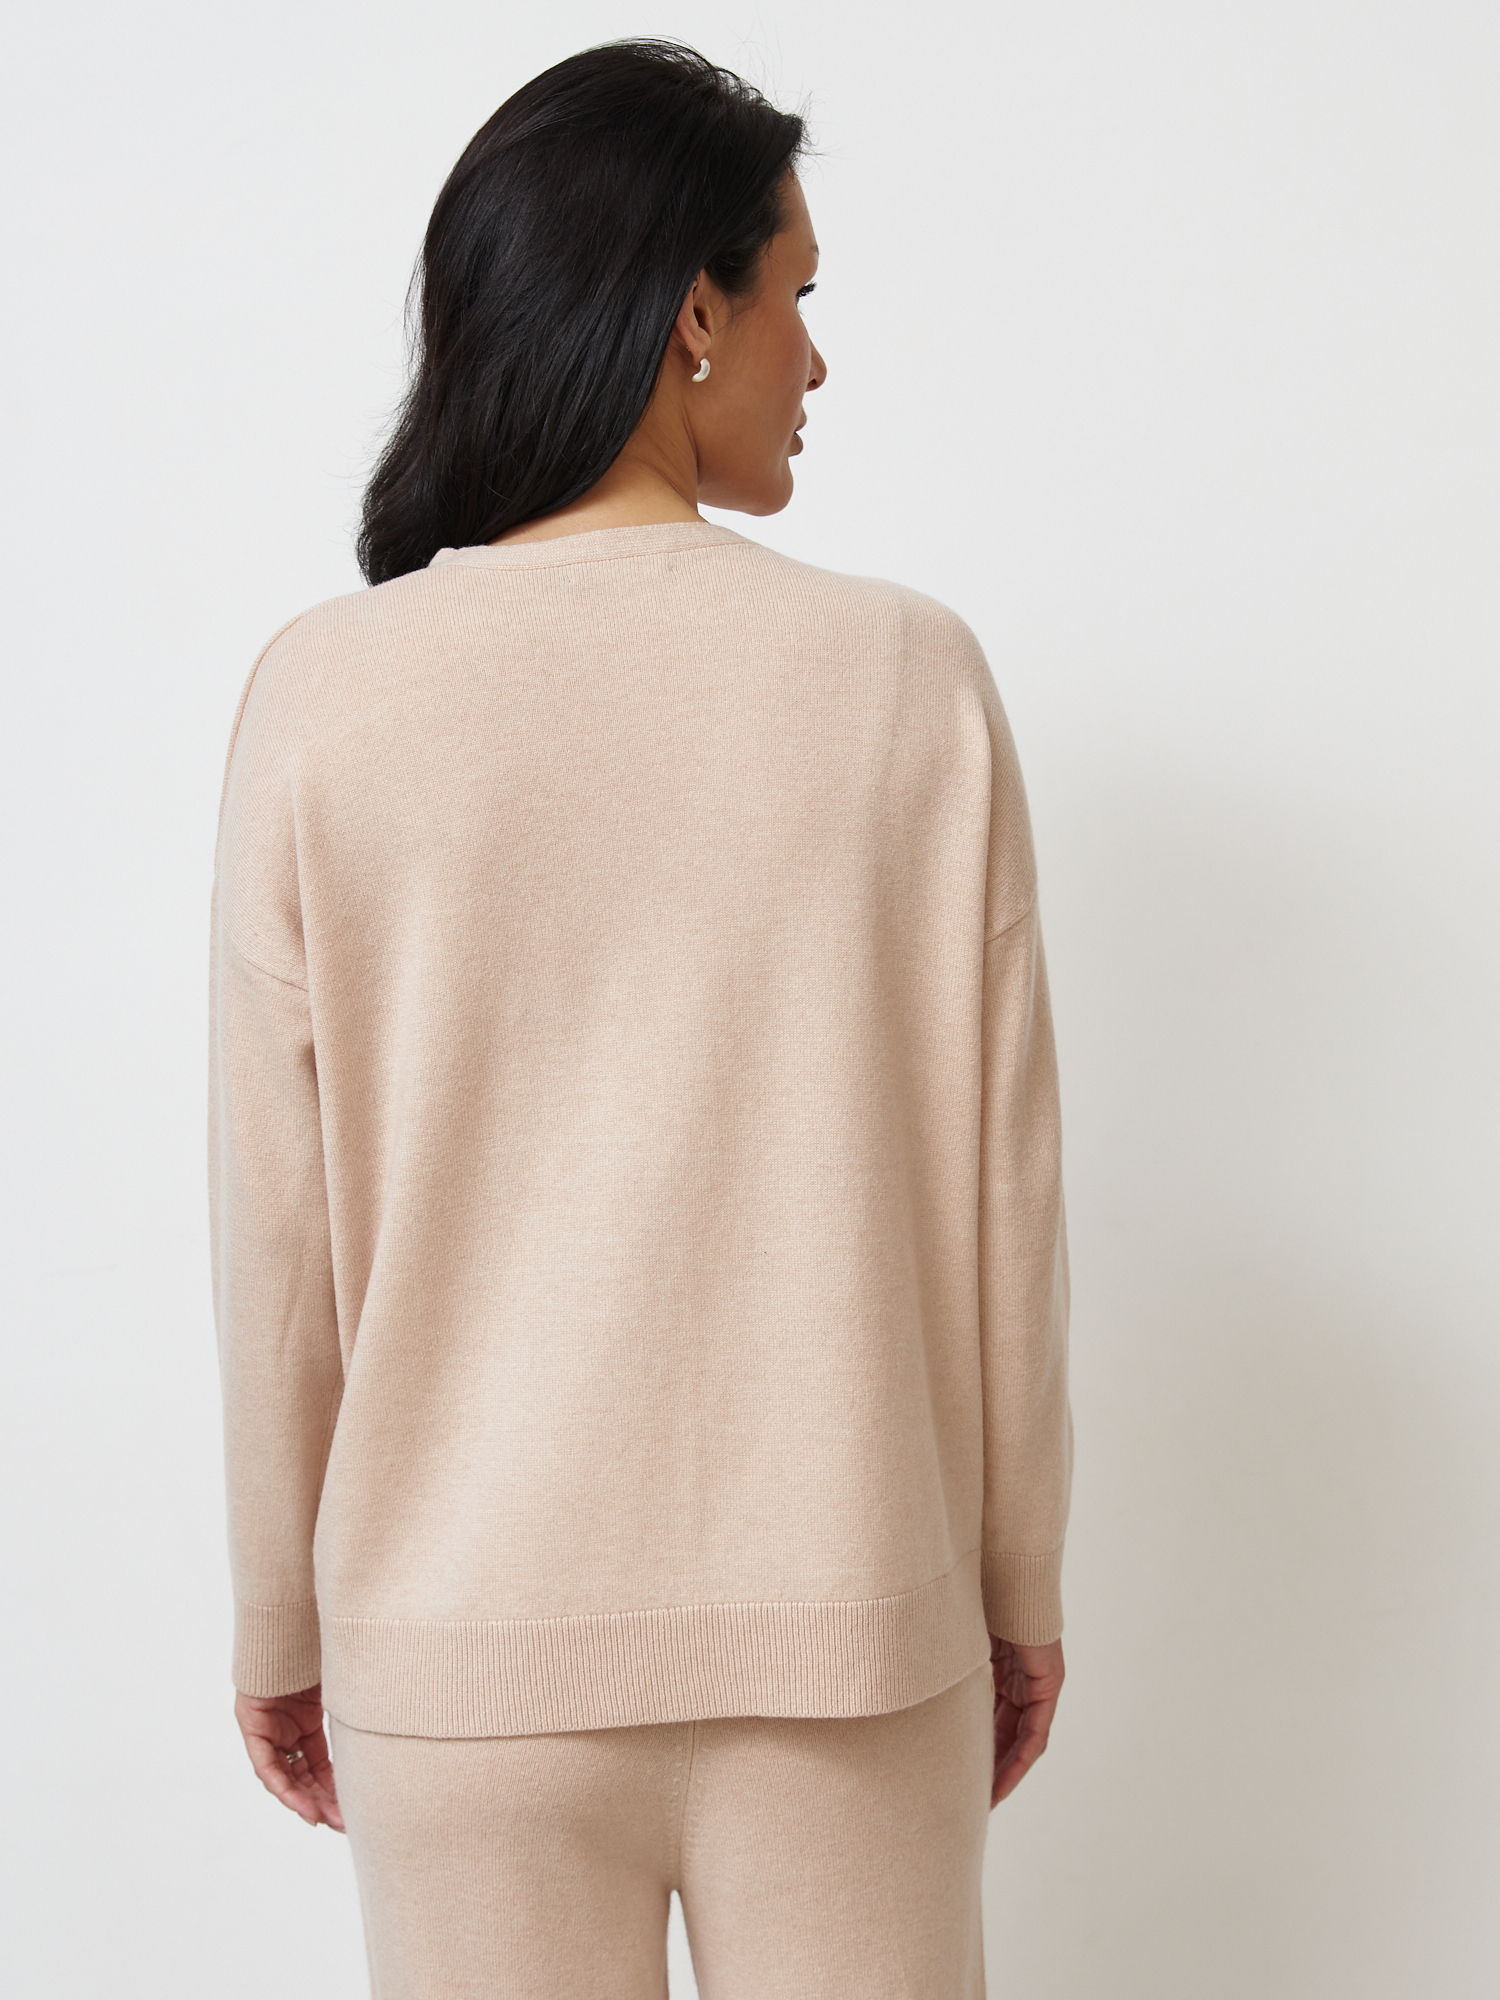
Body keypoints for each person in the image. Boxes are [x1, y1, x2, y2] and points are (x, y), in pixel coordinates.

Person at [210, 37, 1072, 1998]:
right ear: (696, 311)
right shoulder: (909, 679)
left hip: (460, 1659)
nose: (817, 362)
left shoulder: (325, 695)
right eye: (798, 299)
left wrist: (280, 1620)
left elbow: (283, 1234)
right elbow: (1003, 1204)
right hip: (853, 1635)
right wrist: (1015, 1584)